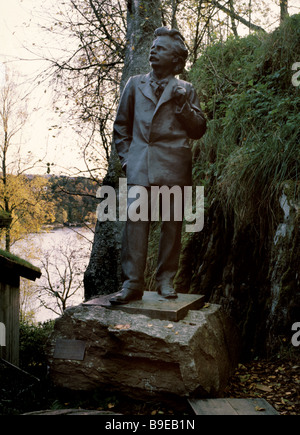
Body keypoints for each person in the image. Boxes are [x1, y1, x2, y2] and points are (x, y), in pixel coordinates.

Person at [109, 27, 207, 305]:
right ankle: (132, 284)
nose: (153, 50)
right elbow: (121, 127)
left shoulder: (186, 89)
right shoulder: (134, 84)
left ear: (176, 60)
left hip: (174, 166)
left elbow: (199, 129)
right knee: (135, 225)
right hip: (140, 165)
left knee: (171, 227)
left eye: (161, 48)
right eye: (153, 46)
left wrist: (182, 105)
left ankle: (166, 280)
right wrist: (127, 159)